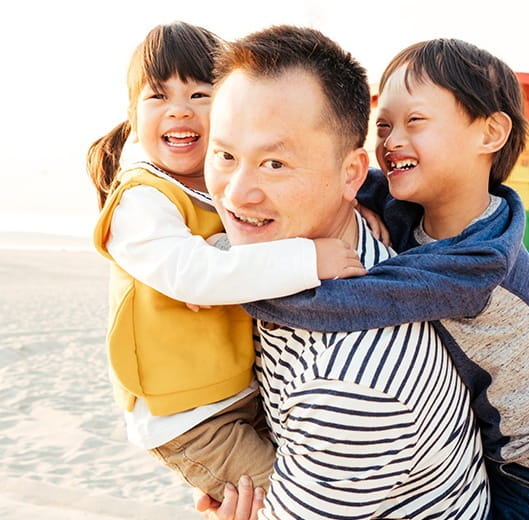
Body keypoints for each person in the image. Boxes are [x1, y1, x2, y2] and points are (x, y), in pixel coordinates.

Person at [248, 38, 529, 519]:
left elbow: (354, 304)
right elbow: (341, 180)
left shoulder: (477, 262)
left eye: (415, 121)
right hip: (489, 440)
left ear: (490, 133)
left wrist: (241, 288)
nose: (390, 141)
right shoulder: (414, 206)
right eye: (383, 125)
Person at [196, 25, 490, 519]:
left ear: (353, 174)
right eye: (225, 155)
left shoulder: (351, 386)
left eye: (274, 164)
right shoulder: (296, 255)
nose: (236, 193)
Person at [86, 21, 366, 503]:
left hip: (240, 391)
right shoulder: (140, 199)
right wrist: (309, 257)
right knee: (285, 502)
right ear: (132, 115)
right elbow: (195, 276)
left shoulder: (220, 187)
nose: (180, 109)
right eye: (158, 96)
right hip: (191, 417)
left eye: (200, 94)